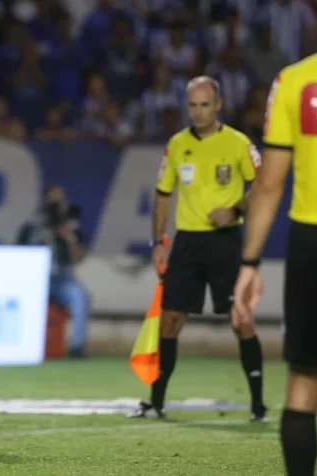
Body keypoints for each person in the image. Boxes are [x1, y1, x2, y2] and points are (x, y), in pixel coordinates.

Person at [128, 76, 267, 421]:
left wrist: (234, 209)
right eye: (193, 105)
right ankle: (156, 403)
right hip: (187, 243)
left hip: (225, 242)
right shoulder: (176, 145)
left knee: (241, 320)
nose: (198, 111)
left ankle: (258, 406)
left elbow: (264, 186)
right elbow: (163, 196)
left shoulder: (237, 143)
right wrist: (159, 241)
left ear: (218, 105)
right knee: (171, 321)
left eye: (205, 104)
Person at [232, 54, 317, 476]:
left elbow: (269, 183)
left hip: (311, 240)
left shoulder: (297, 81)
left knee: (304, 382)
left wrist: (249, 262)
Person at [17, 185, 89, 358]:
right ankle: (24, 346)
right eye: (52, 200)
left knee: (81, 296)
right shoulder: (32, 225)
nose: (56, 205)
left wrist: (67, 237)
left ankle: (76, 347)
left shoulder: (71, 226)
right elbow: (18, 256)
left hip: (61, 279)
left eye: (60, 200)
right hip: (34, 279)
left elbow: (79, 258)